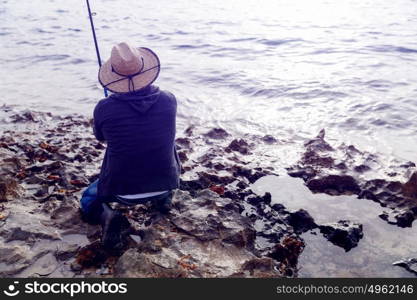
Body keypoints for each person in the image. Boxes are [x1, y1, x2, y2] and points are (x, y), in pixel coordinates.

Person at [80, 42, 181, 250]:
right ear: (145, 70)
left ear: (114, 77)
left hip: (120, 192)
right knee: (166, 141)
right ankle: (163, 200)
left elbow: (100, 137)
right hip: (165, 183)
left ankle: (108, 215)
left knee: (87, 201)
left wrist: (110, 108)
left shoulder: (104, 108)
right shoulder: (169, 100)